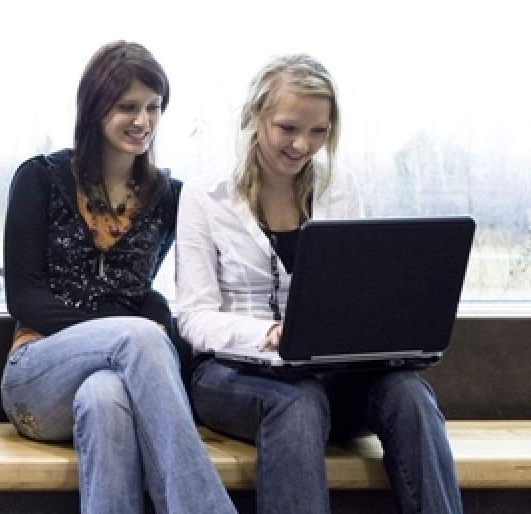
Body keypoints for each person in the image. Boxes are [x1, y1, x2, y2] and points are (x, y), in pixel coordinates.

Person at [176, 54, 462, 514]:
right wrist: (266, 335)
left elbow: (358, 293)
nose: (302, 144)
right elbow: (193, 316)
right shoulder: (205, 195)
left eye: (318, 132)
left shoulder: (339, 186)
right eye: (288, 128)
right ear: (255, 118)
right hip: (231, 376)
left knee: (408, 392)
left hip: (330, 375)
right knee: (299, 402)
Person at [0, 41, 236, 514]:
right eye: (128, 106)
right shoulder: (39, 179)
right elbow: (24, 298)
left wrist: (147, 316)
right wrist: (121, 326)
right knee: (139, 336)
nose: (143, 121)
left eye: (154, 107)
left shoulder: (169, 197)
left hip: (119, 379)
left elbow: (158, 297)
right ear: (94, 108)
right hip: (37, 374)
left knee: (106, 397)